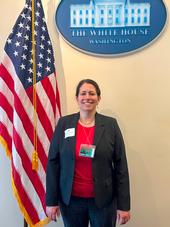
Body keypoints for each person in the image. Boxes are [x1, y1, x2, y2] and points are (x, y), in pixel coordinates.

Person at [46, 79, 131, 227]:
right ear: (77, 98)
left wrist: (123, 205)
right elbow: (53, 163)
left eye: (92, 93)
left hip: (103, 202)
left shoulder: (110, 125)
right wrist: (51, 201)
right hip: (71, 201)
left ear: (98, 98)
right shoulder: (63, 124)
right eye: (83, 93)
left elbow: (121, 166)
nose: (87, 97)